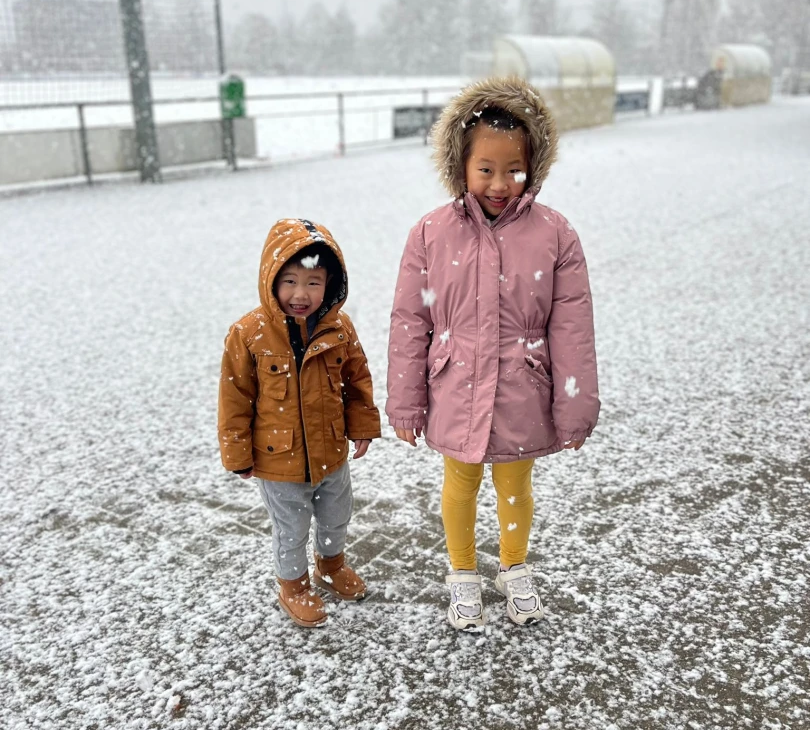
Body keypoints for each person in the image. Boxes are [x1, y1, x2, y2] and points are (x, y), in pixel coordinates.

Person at [386, 77, 599, 631]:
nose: (500, 183)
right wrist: (405, 401)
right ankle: (462, 573)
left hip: (522, 386)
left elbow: (571, 326)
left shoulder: (555, 234)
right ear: (461, 165)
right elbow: (413, 320)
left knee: (515, 485)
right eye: (486, 169)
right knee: (460, 483)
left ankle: (513, 566)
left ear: (535, 165)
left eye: (514, 169)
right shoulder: (431, 234)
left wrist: (575, 405)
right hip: (455, 382)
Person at [218, 218, 381, 628]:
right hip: (279, 460)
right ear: (270, 279)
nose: (300, 294)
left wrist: (361, 424)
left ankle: (331, 565)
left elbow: (356, 379)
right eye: (289, 281)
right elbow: (235, 396)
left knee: (336, 515)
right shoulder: (249, 333)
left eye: (313, 282)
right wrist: (237, 453)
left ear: (331, 283)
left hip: (331, 452)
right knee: (291, 528)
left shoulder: (339, 328)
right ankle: (293, 586)